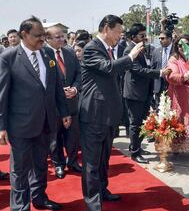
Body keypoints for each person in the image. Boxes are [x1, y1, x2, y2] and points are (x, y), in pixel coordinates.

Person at [0, 16, 71, 211]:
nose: (42, 39)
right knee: (20, 169)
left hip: (47, 122)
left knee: (40, 165)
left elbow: (56, 86)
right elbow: (2, 95)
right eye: (38, 35)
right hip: (20, 125)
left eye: (44, 35)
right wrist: (2, 126)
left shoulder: (48, 55)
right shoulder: (9, 58)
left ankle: (39, 198)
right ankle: (20, 207)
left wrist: (64, 111)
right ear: (24, 34)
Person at [79, 14, 143, 211]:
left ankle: (103, 190)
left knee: (104, 158)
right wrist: (131, 56)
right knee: (92, 161)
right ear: (106, 28)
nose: (120, 36)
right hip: (94, 114)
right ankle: (93, 202)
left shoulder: (107, 49)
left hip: (107, 115)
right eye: (118, 32)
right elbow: (107, 68)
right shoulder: (91, 49)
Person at [123, 23, 172, 164]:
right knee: (135, 123)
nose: (145, 38)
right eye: (142, 36)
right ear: (133, 37)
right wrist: (160, 72)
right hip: (134, 93)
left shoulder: (142, 48)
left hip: (144, 92)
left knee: (142, 122)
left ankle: (137, 146)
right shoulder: (129, 51)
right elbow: (138, 70)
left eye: (145, 35)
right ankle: (135, 153)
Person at [44, 25, 82, 179]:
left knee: (73, 135)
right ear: (47, 39)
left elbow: (79, 74)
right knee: (56, 137)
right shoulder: (43, 55)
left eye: (62, 36)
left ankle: (72, 161)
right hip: (53, 105)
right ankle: (58, 164)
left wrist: (75, 88)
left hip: (72, 102)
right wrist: (60, 92)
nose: (62, 39)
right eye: (57, 37)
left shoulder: (70, 53)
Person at [151, 30, 174, 110]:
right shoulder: (156, 51)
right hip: (159, 87)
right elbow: (152, 68)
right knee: (159, 110)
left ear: (170, 39)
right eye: (159, 38)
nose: (160, 40)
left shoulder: (177, 50)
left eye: (162, 38)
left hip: (173, 85)